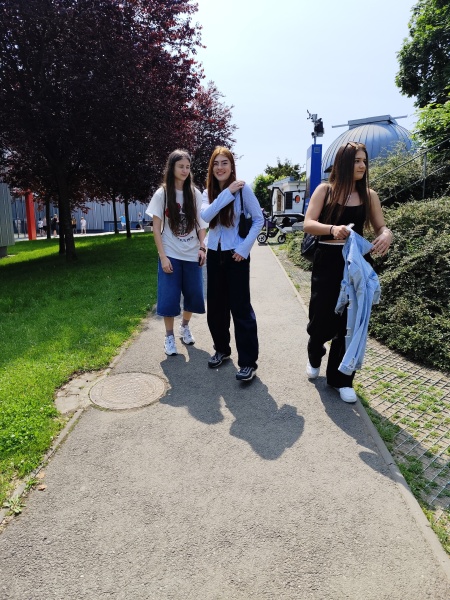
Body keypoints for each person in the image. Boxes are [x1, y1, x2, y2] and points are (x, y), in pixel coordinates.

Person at [303, 141, 393, 403]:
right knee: (320, 321)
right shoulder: (325, 190)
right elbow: (308, 223)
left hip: (355, 264)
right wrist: (332, 229)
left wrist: (386, 235)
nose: (362, 166)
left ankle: (341, 379)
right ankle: (314, 353)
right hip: (327, 262)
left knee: (350, 323)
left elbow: (381, 227)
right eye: (356, 161)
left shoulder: (369, 195)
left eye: (364, 161)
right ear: (343, 163)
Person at [200, 146, 264, 382]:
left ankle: (248, 363)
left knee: (240, 308)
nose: (220, 168)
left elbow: (258, 220)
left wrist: (244, 249)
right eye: (216, 163)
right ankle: (222, 350)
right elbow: (205, 217)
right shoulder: (207, 192)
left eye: (224, 163)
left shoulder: (243, 189)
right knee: (216, 307)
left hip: (236, 256)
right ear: (211, 168)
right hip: (214, 254)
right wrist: (227, 192)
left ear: (232, 166)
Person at [146, 149, 207, 356]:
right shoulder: (162, 194)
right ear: (172, 168)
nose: (185, 170)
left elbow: (201, 225)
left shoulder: (195, 193)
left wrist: (202, 247)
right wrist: (163, 256)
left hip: (191, 254)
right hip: (171, 253)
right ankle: (169, 336)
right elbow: (156, 228)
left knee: (194, 295)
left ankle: (185, 327)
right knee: (169, 298)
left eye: (188, 167)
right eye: (181, 166)